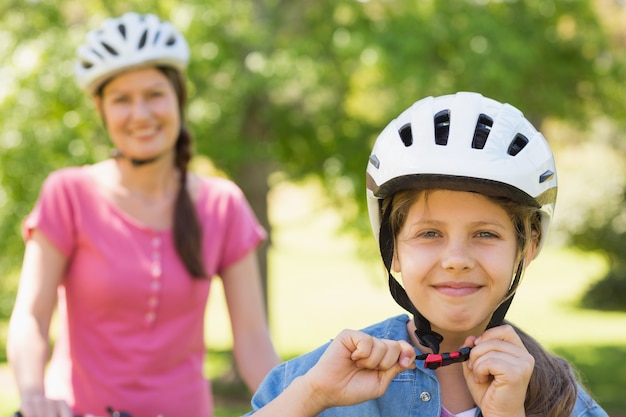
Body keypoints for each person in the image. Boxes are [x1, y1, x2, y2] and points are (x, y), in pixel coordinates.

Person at [244, 92, 608, 417]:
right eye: (429, 233)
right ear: (393, 249)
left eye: (485, 234)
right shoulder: (313, 382)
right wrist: (313, 395)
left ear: (527, 247)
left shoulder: (563, 402)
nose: (456, 259)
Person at [6, 12, 280, 417]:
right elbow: (31, 315)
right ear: (101, 109)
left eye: (154, 94)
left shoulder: (222, 205)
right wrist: (33, 394)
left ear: (178, 98)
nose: (140, 114)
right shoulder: (69, 194)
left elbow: (253, 339)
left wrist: (293, 404)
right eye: (121, 99)